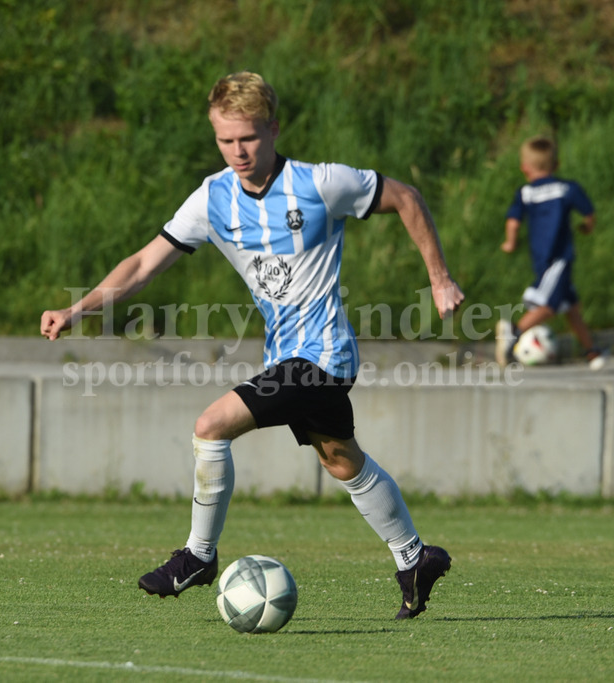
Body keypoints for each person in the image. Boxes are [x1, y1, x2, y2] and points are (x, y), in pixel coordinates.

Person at [40, 71, 465, 619]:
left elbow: (406, 197)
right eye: (225, 140)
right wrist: (78, 309)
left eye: (248, 138)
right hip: (286, 357)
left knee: (210, 427)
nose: (237, 152)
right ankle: (415, 556)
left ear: (273, 130)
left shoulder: (319, 184)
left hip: (323, 355)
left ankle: (198, 556)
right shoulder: (212, 197)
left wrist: (439, 277)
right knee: (340, 460)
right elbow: (145, 264)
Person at [496, 135, 605, 370]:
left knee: (571, 308)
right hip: (560, 257)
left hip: (540, 257)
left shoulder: (525, 192)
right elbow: (589, 213)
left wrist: (510, 243)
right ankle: (513, 331)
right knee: (549, 306)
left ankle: (591, 352)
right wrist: (587, 227)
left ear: (524, 168)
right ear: (556, 165)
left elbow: (513, 221)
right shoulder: (567, 189)